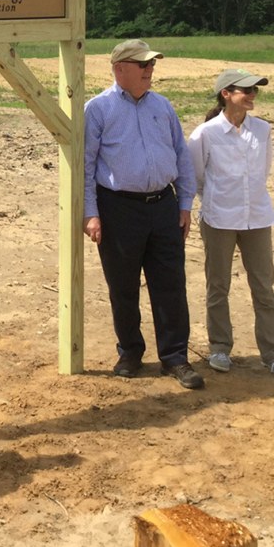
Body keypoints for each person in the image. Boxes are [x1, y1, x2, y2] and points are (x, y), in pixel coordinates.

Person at [83, 39, 204, 390]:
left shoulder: (162, 106)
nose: (150, 70)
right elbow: (86, 165)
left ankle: (176, 357)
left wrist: (184, 205)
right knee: (122, 286)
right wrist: (90, 214)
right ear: (120, 69)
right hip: (118, 208)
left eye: (151, 64)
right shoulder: (99, 109)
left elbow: (181, 155)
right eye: (143, 65)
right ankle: (131, 352)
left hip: (164, 206)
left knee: (170, 283)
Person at [187, 68, 274, 374]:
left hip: (258, 219)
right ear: (226, 94)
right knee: (218, 286)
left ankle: (271, 353)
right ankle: (220, 348)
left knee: (265, 288)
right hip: (219, 219)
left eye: (255, 90)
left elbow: (262, 172)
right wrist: (215, 202)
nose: (252, 95)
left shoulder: (263, 131)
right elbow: (196, 177)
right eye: (246, 90)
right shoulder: (205, 134)